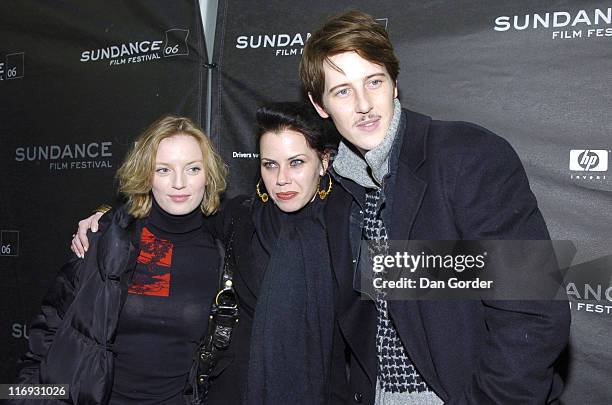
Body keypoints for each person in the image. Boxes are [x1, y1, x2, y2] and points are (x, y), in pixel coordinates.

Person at [298, 10, 570, 404]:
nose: (363, 104)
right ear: (320, 106)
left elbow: (534, 312)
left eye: (373, 81)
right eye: (341, 91)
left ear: (394, 84)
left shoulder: (466, 156)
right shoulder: (339, 193)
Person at [70, 102, 344, 405]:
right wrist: (105, 217)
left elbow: (381, 326)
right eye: (270, 164)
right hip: (234, 392)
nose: (282, 179)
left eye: (296, 163)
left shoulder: (356, 229)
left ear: (323, 162)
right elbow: (167, 210)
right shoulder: (240, 220)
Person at [12, 115, 227, 404]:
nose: (179, 183)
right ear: (146, 175)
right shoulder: (108, 237)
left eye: (192, 169)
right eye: (163, 169)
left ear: (208, 174)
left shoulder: (223, 251)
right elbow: (48, 333)